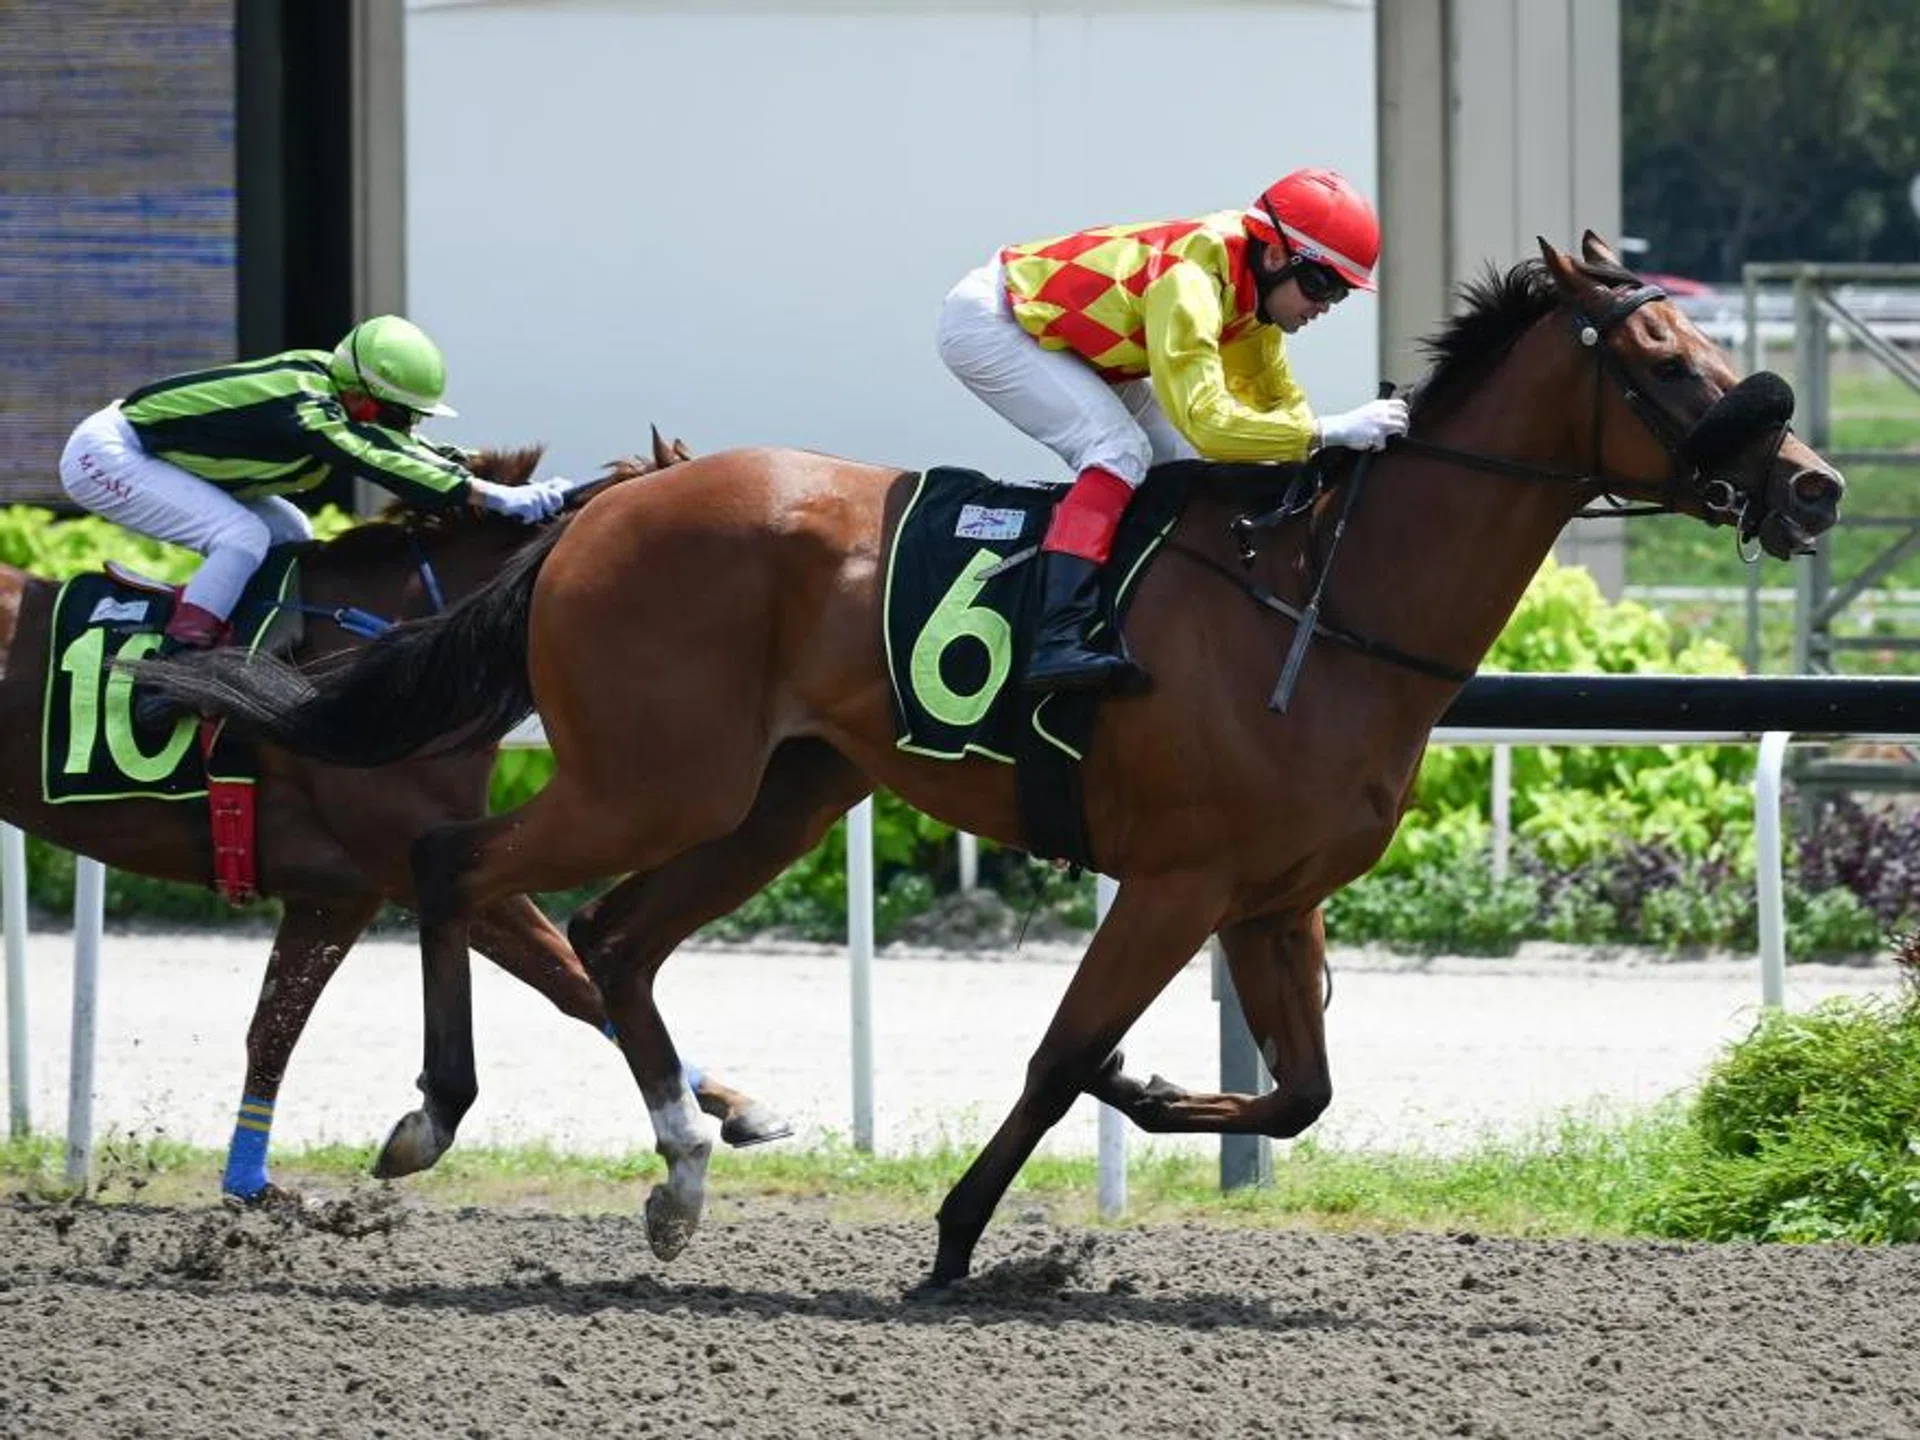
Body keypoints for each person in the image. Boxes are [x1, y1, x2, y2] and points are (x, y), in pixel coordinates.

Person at [936, 167, 1410, 695]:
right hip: (993, 322)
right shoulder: (1189, 281)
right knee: (1118, 450)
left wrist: (1334, 457)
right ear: (1275, 255)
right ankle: (1057, 635)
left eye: (1341, 294)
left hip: (1074, 344)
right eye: (1321, 285)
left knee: (1180, 465)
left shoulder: (1251, 294)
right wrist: (1330, 430)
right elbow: (1210, 424)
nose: (1324, 306)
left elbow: (1276, 406)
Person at [58, 315, 573, 731]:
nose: (404, 428)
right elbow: (373, 456)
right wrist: (493, 495)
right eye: (395, 414)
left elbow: (410, 450)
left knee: (292, 537)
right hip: (109, 454)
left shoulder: (341, 399)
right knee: (242, 538)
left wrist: (513, 487)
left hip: (171, 459)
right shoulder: (304, 399)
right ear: (359, 395)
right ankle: (168, 676)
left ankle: (246, 649)